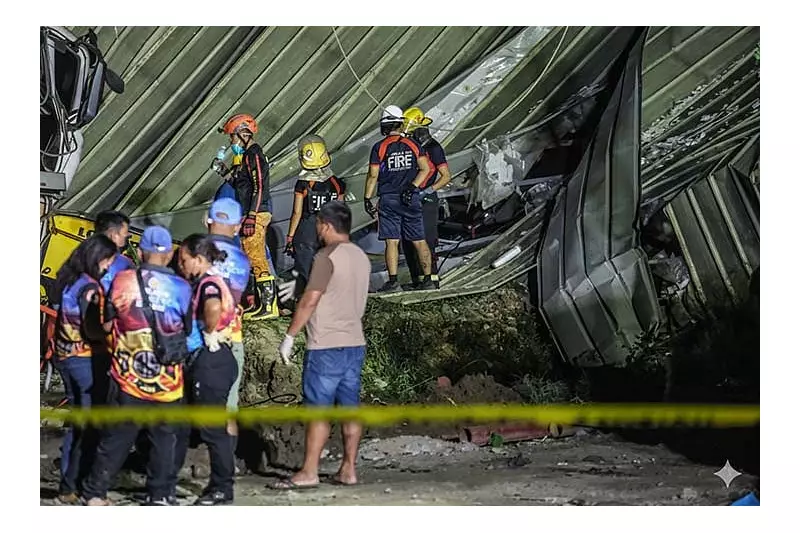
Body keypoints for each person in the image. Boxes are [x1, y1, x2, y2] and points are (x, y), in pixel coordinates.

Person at [81, 226, 193, 506]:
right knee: (164, 441)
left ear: (140, 252)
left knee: (115, 439)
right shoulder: (182, 288)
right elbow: (187, 330)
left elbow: (106, 324)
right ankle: (161, 496)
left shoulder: (121, 281)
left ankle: (95, 494)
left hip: (127, 377)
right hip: (167, 382)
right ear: (169, 254)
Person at [271, 201, 371, 490]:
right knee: (350, 408)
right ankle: (349, 469)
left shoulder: (326, 256)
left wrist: (290, 336)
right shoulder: (361, 257)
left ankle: (309, 472)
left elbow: (311, 299)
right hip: (354, 342)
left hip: (325, 345)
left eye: (317, 225)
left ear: (326, 226)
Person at [173, 233, 239, 506]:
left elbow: (212, 307)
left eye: (184, 260)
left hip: (211, 361)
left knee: (213, 430)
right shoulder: (209, 280)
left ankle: (222, 487)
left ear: (198, 259)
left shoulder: (208, 283)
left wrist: (209, 331)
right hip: (209, 360)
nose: (181, 265)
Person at [52, 235, 118, 504]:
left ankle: (67, 487)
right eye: (108, 261)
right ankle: (78, 486)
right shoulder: (90, 288)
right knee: (91, 426)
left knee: (78, 424)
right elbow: (91, 328)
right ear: (98, 258)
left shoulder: (69, 279)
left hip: (65, 356)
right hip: (85, 358)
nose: (108, 267)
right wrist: (114, 325)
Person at [363, 105, 434, 293]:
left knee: (391, 241)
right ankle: (429, 280)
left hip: (389, 199)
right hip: (411, 198)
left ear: (385, 125)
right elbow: (425, 168)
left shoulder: (380, 147)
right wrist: (413, 187)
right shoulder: (412, 144)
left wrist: (367, 198)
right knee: (419, 239)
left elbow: (373, 175)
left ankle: (393, 282)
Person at [218, 113, 278, 321]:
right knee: (251, 255)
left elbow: (260, 186)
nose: (230, 141)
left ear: (243, 134)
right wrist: (225, 171)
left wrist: (252, 215)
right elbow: (242, 185)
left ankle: (269, 306)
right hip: (249, 211)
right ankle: (262, 304)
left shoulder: (255, 155)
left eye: (232, 136)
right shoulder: (245, 156)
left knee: (256, 255)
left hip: (257, 211)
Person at [205, 198, 251, 424]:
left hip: (196, 338)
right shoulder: (243, 260)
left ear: (207, 221)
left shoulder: (190, 252)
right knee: (229, 407)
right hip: (231, 336)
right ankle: (226, 456)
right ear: (238, 226)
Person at [285, 134, 346, 297]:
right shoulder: (337, 183)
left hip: (307, 230)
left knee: (306, 270)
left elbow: (297, 212)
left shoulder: (303, 184)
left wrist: (290, 237)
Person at [401, 107, 452, 290]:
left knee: (426, 239)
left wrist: (428, 190)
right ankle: (417, 279)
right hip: (409, 199)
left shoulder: (433, 148)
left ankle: (431, 278)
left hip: (426, 199)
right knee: (408, 240)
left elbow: (446, 176)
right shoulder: (410, 149)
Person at [94, 210, 134, 293]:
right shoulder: (123, 264)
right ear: (113, 235)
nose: (128, 235)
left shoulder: (80, 255)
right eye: (125, 232)